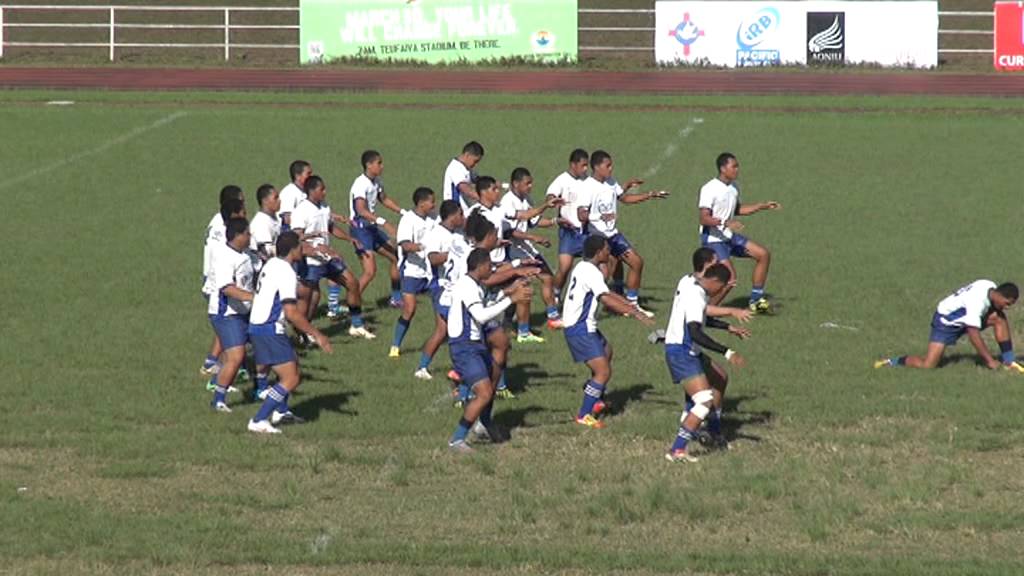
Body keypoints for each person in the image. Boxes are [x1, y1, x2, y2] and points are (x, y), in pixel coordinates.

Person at [563, 235, 655, 429]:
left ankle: (594, 394)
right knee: (603, 371)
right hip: (580, 328)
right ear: (598, 253)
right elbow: (605, 299)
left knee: (607, 351)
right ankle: (584, 414)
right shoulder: (592, 273)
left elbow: (606, 292)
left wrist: (631, 307)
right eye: (606, 249)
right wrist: (633, 313)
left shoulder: (582, 267)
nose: (609, 252)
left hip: (581, 325)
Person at [446, 248, 532, 452]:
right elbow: (481, 315)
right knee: (484, 393)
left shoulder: (473, 284)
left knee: (494, 376)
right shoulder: (467, 286)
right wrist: (511, 300)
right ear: (481, 265)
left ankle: (483, 424)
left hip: (476, 345)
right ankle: (457, 440)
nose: (492, 268)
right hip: (465, 347)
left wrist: (508, 291)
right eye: (490, 265)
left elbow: (484, 304)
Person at [247, 231, 333, 434]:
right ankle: (259, 419)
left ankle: (282, 412)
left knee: (291, 365)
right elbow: (291, 312)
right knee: (292, 378)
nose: (302, 250)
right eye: (300, 246)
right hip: (269, 328)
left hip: (258, 325)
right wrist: (317, 335)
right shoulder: (286, 271)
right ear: (294, 249)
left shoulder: (271, 264)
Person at [663, 263, 750, 463]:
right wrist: (727, 352)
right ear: (714, 281)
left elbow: (701, 320)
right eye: (721, 288)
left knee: (719, 378)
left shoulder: (693, 287)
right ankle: (677, 450)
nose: (720, 293)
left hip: (689, 350)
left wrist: (728, 326)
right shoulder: (696, 295)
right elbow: (695, 332)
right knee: (704, 401)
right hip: (682, 352)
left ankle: (714, 432)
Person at [577, 150, 668, 318]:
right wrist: (599, 216)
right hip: (597, 238)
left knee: (637, 262)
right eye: (608, 165)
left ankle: (632, 304)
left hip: (613, 235)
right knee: (602, 276)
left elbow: (624, 198)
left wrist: (649, 195)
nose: (611, 169)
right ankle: (585, 308)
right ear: (596, 167)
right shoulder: (587, 187)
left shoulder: (610, 182)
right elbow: (581, 215)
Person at [290, 175, 376, 340]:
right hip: (310, 261)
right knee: (311, 300)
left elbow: (330, 227)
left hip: (327, 258)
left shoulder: (324, 206)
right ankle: (302, 333)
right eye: (322, 189)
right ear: (312, 190)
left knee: (352, 282)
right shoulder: (301, 211)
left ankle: (356, 325)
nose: (325, 192)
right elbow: (297, 238)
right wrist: (316, 248)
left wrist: (350, 239)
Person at [875, 280, 1024, 371]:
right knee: (928, 365)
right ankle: (892, 362)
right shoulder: (976, 303)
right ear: (1000, 295)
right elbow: (973, 334)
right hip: (945, 322)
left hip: (965, 318)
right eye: (1007, 303)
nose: (1007, 307)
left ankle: (1009, 361)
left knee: (999, 318)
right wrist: (990, 361)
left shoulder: (988, 285)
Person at [698, 152, 781, 312]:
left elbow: (737, 209)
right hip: (714, 239)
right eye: (734, 166)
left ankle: (755, 301)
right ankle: (706, 311)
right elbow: (704, 218)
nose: (737, 170)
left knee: (763, 254)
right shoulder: (709, 189)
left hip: (728, 236)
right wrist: (725, 222)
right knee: (730, 279)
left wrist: (761, 206)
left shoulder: (734, 187)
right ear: (723, 168)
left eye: (737, 166)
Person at [501, 167, 563, 337]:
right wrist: (534, 238)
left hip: (527, 250)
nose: (530, 186)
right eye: (527, 183)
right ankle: (518, 329)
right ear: (515, 184)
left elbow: (533, 220)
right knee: (521, 290)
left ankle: (552, 317)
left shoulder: (526, 198)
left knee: (547, 278)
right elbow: (509, 232)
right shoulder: (507, 202)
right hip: (513, 253)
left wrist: (554, 221)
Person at [206, 218, 256, 413]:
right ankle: (218, 400)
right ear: (237, 236)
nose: (250, 237)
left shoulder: (243, 254)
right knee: (236, 356)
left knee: (265, 345)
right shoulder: (225, 257)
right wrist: (254, 298)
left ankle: (260, 388)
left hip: (244, 312)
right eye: (247, 234)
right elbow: (227, 288)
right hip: (227, 314)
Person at [415, 200, 466, 381]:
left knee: (442, 330)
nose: (463, 218)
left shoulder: (457, 234)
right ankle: (460, 369)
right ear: (452, 216)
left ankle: (422, 367)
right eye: (461, 214)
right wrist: (454, 256)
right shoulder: (435, 235)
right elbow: (433, 259)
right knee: (456, 329)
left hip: (454, 287)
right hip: (441, 288)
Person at [200, 188, 246, 383]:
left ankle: (213, 362)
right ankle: (222, 375)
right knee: (229, 322)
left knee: (227, 324)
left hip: (215, 279)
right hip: (218, 281)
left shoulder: (219, 222)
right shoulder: (222, 229)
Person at [350, 150, 404, 310]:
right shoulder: (360, 184)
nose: (382, 166)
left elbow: (384, 199)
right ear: (369, 165)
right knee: (370, 271)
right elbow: (360, 210)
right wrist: (383, 222)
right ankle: (352, 305)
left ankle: (396, 298)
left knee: (396, 257)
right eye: (379, 163)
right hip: (360, 230)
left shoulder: (376, 181)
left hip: (371, 228)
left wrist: (402, 212)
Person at [390, 187, 437, 358]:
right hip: (412, 270)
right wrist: (420, 247)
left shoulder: (434, 217)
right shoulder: (408, 220)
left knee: (441, 308)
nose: (434, 204)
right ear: (421, 203)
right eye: (432, 201)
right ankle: (395, 345)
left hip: (431, 271)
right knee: (410, 309)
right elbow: (404, 244)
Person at [546, 148, 590, 302]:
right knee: (564, 268)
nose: (585, 169)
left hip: (586, 231)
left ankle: (590, 297)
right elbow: (550, 195)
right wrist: (552, 200)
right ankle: (556, 293)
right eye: (583, 165)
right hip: (569, 232)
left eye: (587, 166)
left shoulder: (588, 181)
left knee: (599, 265)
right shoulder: (562, 180)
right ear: (573, 164)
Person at [443, 141, 484, 212]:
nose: (475, 164)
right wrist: (483, 198)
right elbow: (464, 188)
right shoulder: (455, 168)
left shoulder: (467, 168)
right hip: (454, 211)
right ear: (467, 155)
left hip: (463, 211)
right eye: (475, 161)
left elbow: (479, 180)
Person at [277, 160, 311, 230]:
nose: (311, 176)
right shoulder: (289, 192)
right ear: (298, 176)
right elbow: (287, 219)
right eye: (308, 174)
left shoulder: (308, 191)